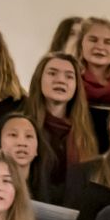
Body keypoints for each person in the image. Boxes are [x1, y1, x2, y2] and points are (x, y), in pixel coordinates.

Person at [24, 52, 99, 187]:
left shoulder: (86, 132)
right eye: (52, 73)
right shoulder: (21, 125)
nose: (61, 80)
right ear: (39, 79)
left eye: (69, 76)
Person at [0, 112, 55, 204]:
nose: (22, 143)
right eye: (13, 135)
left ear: (37, 149)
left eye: (29, 136)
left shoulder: (52, 194)